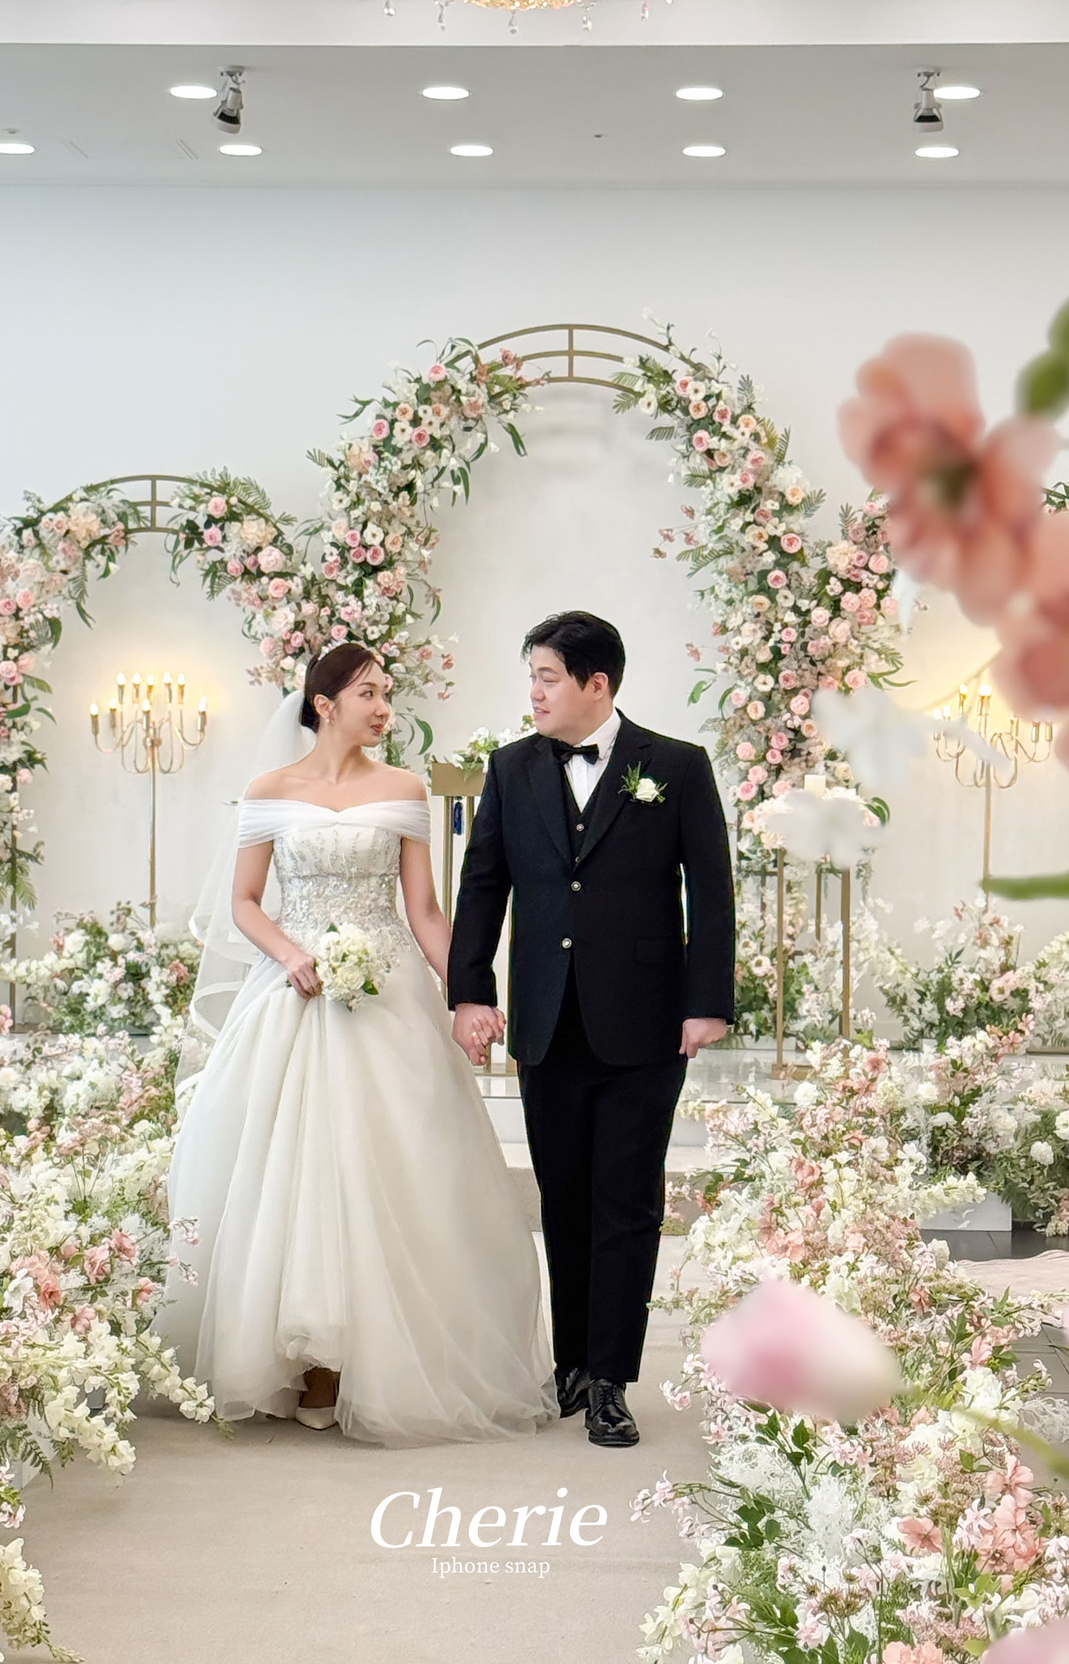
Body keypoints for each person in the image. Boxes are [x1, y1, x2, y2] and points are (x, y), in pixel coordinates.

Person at [154, 642, 559, 1448]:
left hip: (387, 993)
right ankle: (295, 1356)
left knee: (397, 1162)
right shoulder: (270, 790)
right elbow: (244, 901)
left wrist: (468, 993)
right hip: (294, 992)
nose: (384, 709)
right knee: (291, 1168)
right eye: (369, 693)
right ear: (324, 702)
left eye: (387, 694)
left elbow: (426, 911)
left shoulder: (403, 789)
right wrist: (291, 954)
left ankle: (376, 1359)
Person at [447, 611, 736, 1448]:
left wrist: (707, 1000)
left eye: (547, 677)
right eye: (532, 676)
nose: (533, 693)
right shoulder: (510, 768)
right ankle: (571, 1362)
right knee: (564, 1198)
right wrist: (470, 991)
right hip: (546, 1021)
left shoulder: (676, 766)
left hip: (645, 1022)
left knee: (627, 1201)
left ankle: (612, 1379)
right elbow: (483, 884)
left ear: (596, 684)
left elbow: (711, 887)